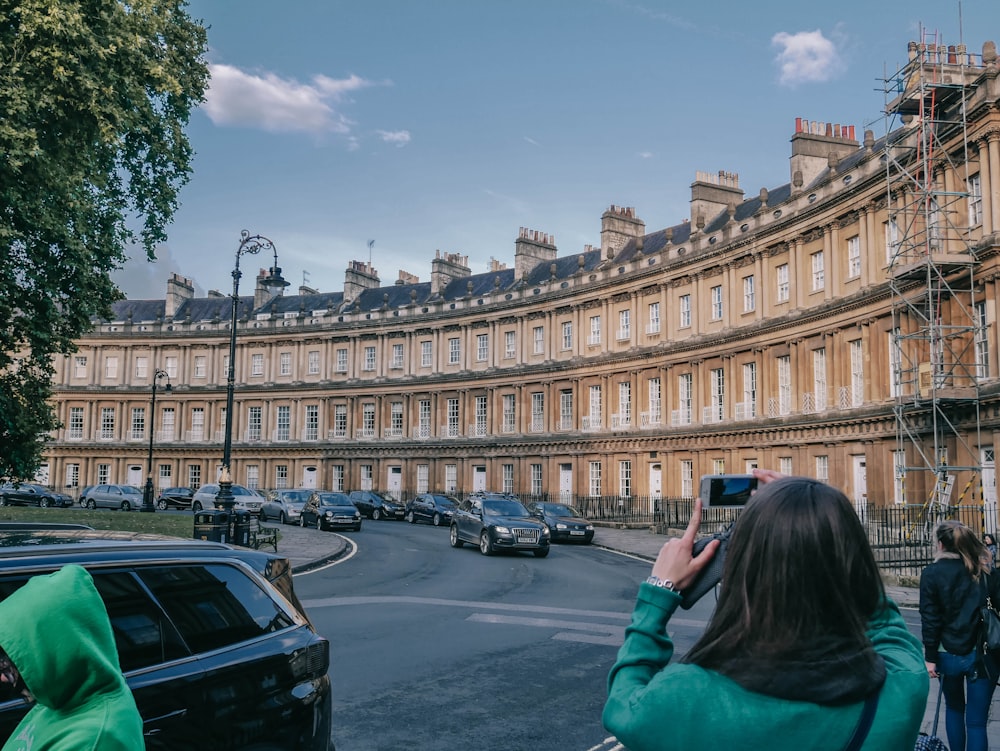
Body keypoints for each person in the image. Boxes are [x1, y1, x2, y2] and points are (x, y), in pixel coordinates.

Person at [603, 472, 929, 750]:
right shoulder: (902, 687)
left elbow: (622, 704)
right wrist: (817, 516)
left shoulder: (686, 697)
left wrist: (659, 591)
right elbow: (885, 623)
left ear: (741, 565)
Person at [0, 564, 143, 750]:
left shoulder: (98, 739)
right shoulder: (60, 696)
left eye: (12, 667)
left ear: (53, 655)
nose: (3, 677)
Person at [919, 520, 1000, 751]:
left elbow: (930, 619)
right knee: (976, 723)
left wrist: (931, 657)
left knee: (954, 710)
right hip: (982, 656)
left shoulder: (931, 574)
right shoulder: (986, 572)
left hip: (947, 656)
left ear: (941, 545)